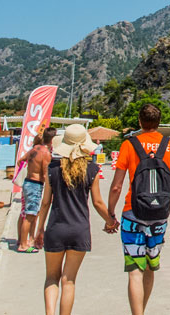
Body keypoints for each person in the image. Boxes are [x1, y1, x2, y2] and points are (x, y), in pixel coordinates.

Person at [108, 104, 170, 315]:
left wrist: (110, 213)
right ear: (159, 122)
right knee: (151, 267)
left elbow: (116, 186)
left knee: (134, 270)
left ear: (140, 122)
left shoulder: (129, 145)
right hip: (160, 216)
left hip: (132, 213)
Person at [34, 124, 117, 315]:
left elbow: (45, 203)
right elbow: (97, 202)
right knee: (68, 280)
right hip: (79, 230)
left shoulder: (52, 169)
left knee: (51, 278)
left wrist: (40, 229)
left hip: (56, 228)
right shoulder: (92, 170)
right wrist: (111, 221)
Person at [18, 128, 57, 253]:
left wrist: (29, 170)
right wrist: (50, 191)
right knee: (30, 215)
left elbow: (20, 161)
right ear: (52, 140)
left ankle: (25, 241)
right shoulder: (45, 153)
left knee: (27, 213)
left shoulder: (34, 150)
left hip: (27, 182)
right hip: (35, 184)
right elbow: (46, 174)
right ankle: (23, 244)